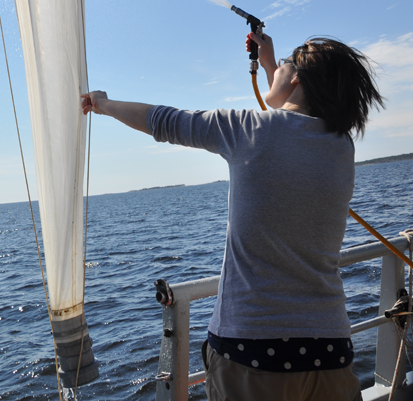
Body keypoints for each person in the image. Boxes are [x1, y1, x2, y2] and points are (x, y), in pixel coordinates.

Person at [81, 31, 385, 401]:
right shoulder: (340, 145)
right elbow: (293, 113)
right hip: (330, 352)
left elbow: (163, 120)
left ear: (296, 79)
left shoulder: (248, 129)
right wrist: (275, 61)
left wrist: (104, 104)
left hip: (253, 351)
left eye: (285, 66)